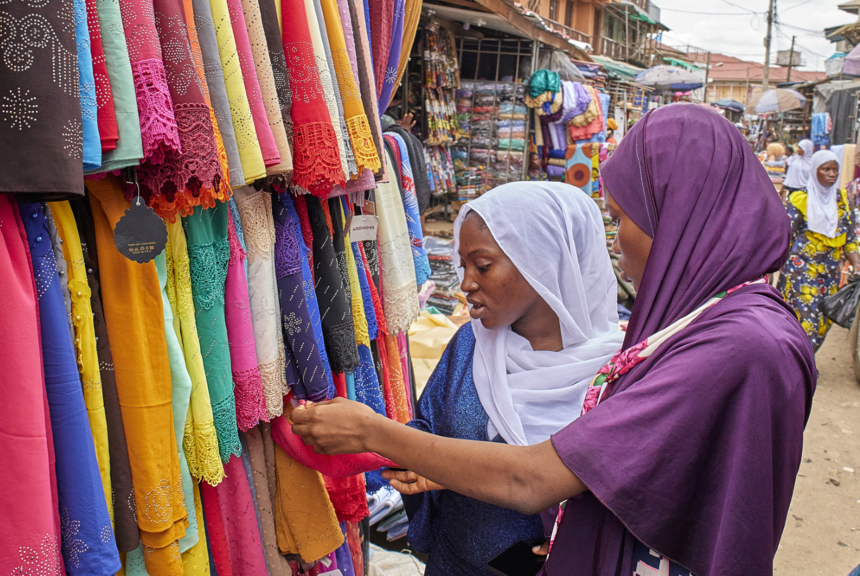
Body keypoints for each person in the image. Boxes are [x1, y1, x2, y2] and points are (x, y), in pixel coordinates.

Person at [291, 104, 816, 576]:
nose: (619, 247)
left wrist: (374, 433)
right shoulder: (694, 335)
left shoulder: (736, 348)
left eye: (622, 221)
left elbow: (535, 479)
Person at [395, 183, 624, 575]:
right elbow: (426, 431)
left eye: (482, 266)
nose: (466, 283)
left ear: (542, 262)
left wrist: (580, 533)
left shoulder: (617, 372)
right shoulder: (470, 345)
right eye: (462, 264)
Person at [778, 150, 859, 351]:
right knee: (807, 321)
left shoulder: (839, 201)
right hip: (802, 270)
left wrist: (856, 262)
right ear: (815, 172)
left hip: (830, 272)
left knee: (825, 320)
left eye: (835, 170)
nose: (832, 174)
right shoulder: (800, 200)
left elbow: (848, 236)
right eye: (826, 169)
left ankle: (804, 359)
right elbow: (786, 234)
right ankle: (804, 364)